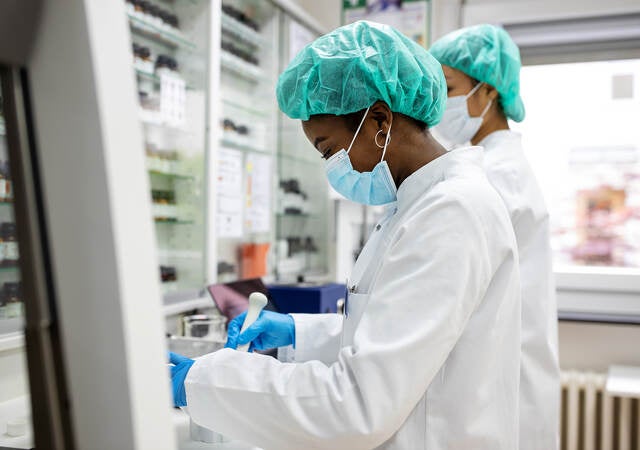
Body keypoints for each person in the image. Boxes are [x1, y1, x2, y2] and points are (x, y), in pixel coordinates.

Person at [169, 20, 521, 449]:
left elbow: (358, 405)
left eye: (329, 149)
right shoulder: (415, 205)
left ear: (379, 120)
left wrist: (201, 380)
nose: (332, 168)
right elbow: (395, 334)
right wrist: (300, 332)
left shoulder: (451, 212)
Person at [430, 24, 561, 450]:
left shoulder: (497, 176)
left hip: (504, 387)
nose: (438, 103)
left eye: (448, 87)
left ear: (487, 93)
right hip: (504, 381)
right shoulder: (487, 165)